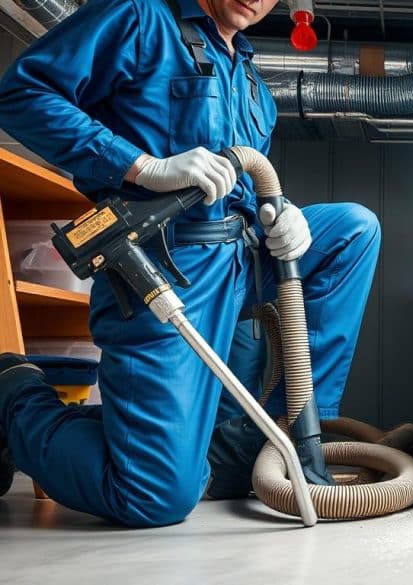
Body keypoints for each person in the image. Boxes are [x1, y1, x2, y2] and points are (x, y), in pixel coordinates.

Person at [0, 0, 380, 527]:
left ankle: (289, 435)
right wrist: (142, 166)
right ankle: (13, 391)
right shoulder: (139, 18)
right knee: (153, 496)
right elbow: (22, 94)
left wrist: (281, 212)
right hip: (162, 267)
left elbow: (249, 186)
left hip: (240, 260)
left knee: (353, 230)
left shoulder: (250, 83)